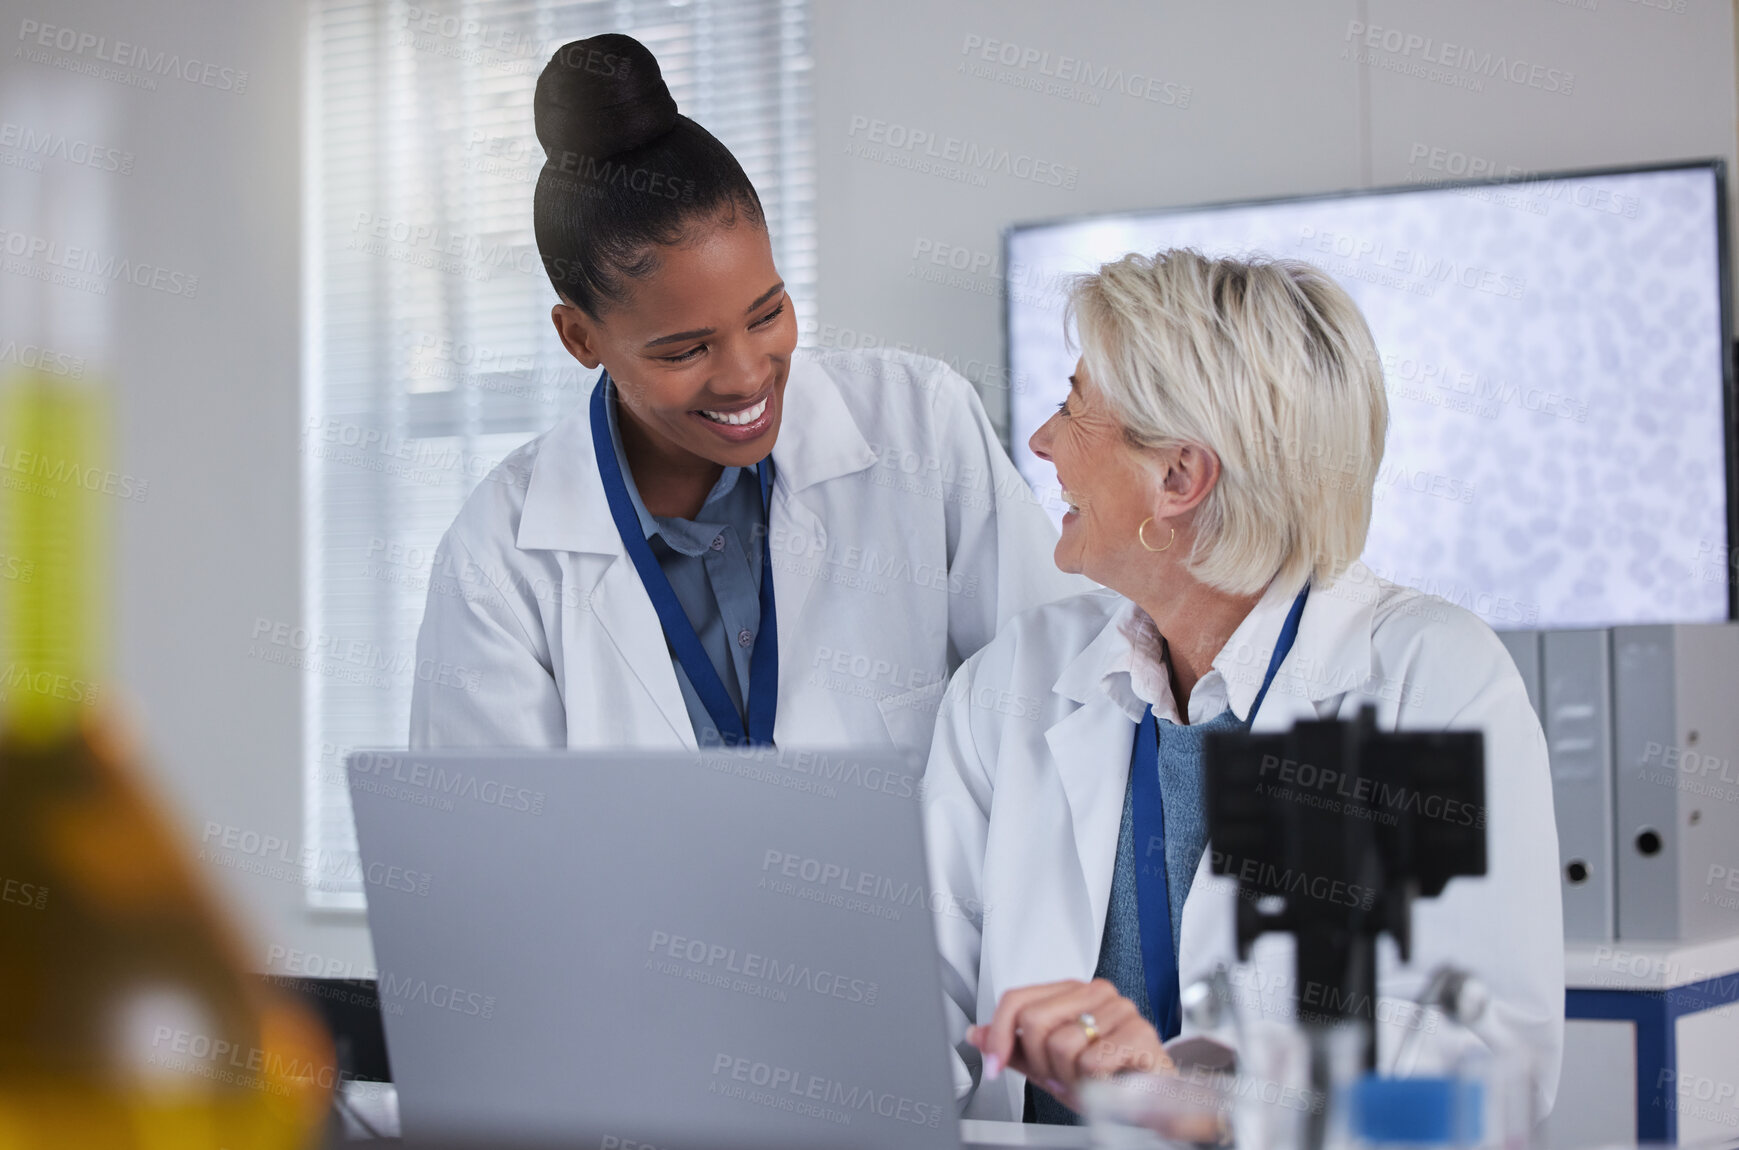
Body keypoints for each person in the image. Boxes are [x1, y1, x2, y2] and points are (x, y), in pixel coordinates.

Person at [921, 250, 1564, 1123]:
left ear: (1179, 478)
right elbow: (920, 1003)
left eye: (1074, 407)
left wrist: (1203, 1104)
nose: (1039, 441)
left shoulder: (1426, 677)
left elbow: (1478, 1079)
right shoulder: (1013, 679)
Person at [409, 33, 1082, 753]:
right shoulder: (498, 557)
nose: (746, 375)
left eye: (766, 314)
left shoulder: (919, 422)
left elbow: (1065, 706)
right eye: (685, 349)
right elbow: (488, 843)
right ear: (580, 339)